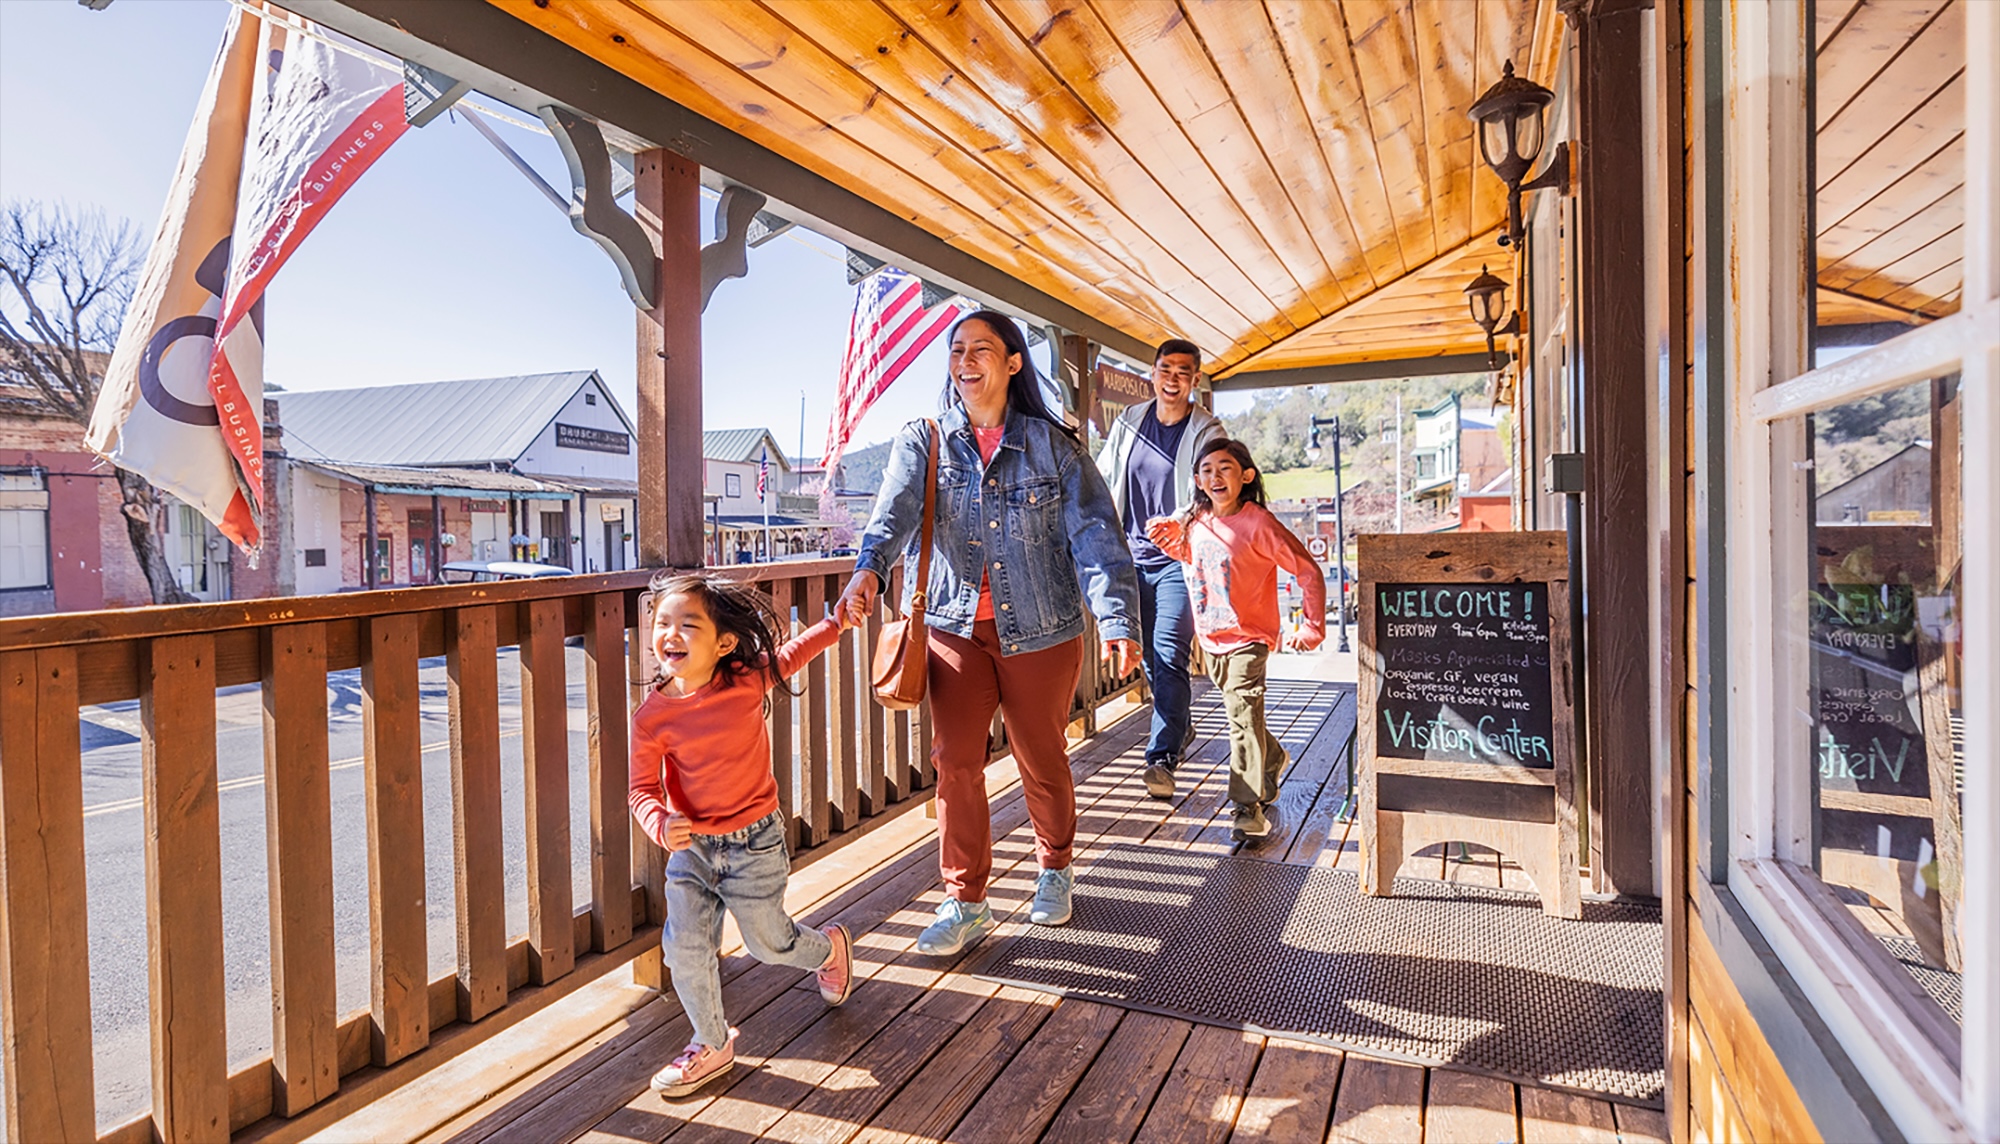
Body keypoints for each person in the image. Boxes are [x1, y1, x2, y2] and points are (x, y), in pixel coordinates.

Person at [838, 309, 1141, 956]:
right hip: (951, 630)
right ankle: (965, 900)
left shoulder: (1054, 445)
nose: (965, 360)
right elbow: (889, 515)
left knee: (1042, 758)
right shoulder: (923, 441)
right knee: (955, 764)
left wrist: (1116, 618)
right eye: (956, 350)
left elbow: (1094, 538)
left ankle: (1055, 867)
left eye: (981, 349)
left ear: (1011, 363)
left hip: (1042, 630)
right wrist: (869, 570)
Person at [629, 571, 857, 1098]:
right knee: (683, 947)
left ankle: (828, 950)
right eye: (663, 623)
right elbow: (640, 789)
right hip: (692, 853)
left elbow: (795, 651)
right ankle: (711, 1042)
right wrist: (659, 823)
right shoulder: (651, 717)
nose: (671, 635)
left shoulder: (745, 678)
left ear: (724, 642)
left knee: (769, 945)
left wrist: (837, 621)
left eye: (689, 625)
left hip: (754, 844)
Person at [1147, 439, 1324, 844]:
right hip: (1211, 640)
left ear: (1245, 476)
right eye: (1206, 470)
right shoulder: (1195, 522)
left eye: (1225, 468)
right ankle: (1273, 757)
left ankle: (1246, 809)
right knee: (1244, 717)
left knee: (1240, 719)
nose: (1215, 476)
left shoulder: (1258, 523)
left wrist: (1312, 627)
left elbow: (1308, 572)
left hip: (1250, 640)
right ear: (1197, 479)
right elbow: (1184, 555)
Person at [1094, 338, 1226, 799]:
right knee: (1149, 657)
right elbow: (1103, 479)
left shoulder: (1207, 429)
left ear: (1194, 379)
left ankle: (1162, 756)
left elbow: (1218, 487)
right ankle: (1179, 725)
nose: (1173, 378)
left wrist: (1185, 519)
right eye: (1165, 369)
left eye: (1183, 371)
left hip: (1179, 560)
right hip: (1128, 559)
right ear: (1152, 372)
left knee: (1169, 649)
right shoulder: (1130, 423)